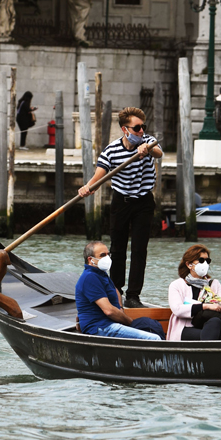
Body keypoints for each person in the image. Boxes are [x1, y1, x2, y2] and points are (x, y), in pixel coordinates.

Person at [78, 107, 164, 308]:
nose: (141, 131)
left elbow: (158, 153)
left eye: (143, 127)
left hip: (143, 202)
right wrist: (87, 187)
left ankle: (133, 296)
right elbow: (99, 175)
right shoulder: (111, 151)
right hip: (121, 203)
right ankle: (116, 292)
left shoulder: (148, 141)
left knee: (139, 249)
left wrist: (147, 148)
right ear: (125, 130)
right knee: (117, 250)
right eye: (137, 128)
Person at [75, 241, 164, 340]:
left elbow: (115, 290)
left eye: (108, 254)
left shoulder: (100, 274)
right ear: (90, 259)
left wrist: (120, 308)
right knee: (153, 339)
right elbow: (109, 311)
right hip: (100, 327)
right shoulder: (90, 277)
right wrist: (130, 322)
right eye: (102, 255)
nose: (107, 258)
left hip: (110, 324)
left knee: (152, 327)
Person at [167, 244, 221, 341]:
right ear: (189, 264)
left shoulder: (213, 284)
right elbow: (177, 309)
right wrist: (205, 306)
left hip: (208, 325)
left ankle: (206, 350)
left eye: (207, 261)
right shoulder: (176, 285)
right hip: (185, 328)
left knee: (215, 322)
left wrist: (213, 301)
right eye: (201, 260)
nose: (205, 264)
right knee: (212, 334)